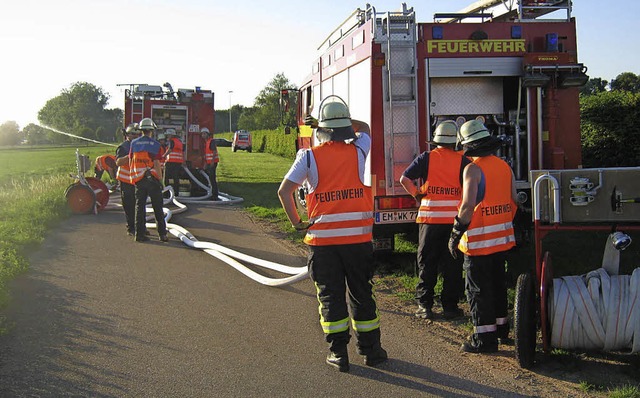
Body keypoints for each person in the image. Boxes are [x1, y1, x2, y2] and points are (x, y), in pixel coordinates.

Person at [277, 96, 387, 372]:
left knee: (330, 296)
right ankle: (371, 351)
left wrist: (296, 222)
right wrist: (346, 123)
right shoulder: (358, 150)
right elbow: (366, 130)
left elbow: (284, 192)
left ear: (321, 129)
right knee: (362, 293)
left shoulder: (309, 156)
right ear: (346, 128)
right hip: (358, 241)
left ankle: (339, 353)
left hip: (323, 244)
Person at [448, 119, 517, 353]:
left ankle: (484, 340)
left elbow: (467, 206)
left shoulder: (472, 169)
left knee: (478, 290)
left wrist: (456, 233)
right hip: (502, 240)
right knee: (498, 286)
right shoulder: (504, 166)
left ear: (467, 145)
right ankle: (501, 330)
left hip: (478, 244)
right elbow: (514, 200)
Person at [399, 120, 469, 320]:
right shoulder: (464, 161)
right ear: (455, 141)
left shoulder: (426, 158)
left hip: (429, 221)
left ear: (436, 140)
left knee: (427, 263)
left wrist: (417, 195)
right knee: (453, 266)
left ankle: (425, 306)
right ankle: (450, 307)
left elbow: (404, 179)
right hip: (453, 222)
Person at [129, 118, 169, 243]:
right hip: (152, 179)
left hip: (139, 179)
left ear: (141, 130)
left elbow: (131, 160)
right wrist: (161, 180)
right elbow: (156, 163)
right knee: (158, 207)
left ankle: (139, 235)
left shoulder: (134, 144)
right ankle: (162, 234)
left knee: (139, 207)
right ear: (151, 130)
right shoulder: (155, 145)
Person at [115, 124, 140, 236]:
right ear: (127, 135)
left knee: (139, 205)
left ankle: (139, 227)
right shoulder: (124, 147)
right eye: (133, 134)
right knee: (129, 205)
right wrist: (130, 156)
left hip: (137, 179)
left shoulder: (140, 146)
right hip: (126, 180)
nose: (135, 136)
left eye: (137, 134)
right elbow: (118, 162)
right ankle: (131, 228)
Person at [163, 128, 184, 197]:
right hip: (178, 162)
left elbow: (170, 149)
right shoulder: (179, 142)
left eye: (168, 135)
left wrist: (163, 156)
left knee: (166, 178)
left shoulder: (172, 141)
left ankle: (166, 193)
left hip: (171, 161)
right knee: (176, 178)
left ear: (171, 135)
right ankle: (176, 193)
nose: (167, 137)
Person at [201, 128, 220, 201]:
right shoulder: (207, 142)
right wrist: (206, 163)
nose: (203, 135)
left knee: (212, 178)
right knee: (210, 178)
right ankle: (213, 193)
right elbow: (207, 154)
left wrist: (212, 161)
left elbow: (214, 151)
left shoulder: (211, 141)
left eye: (204, 134)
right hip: (209, 162)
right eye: (202, 134)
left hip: (213, 162)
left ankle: (215, 195)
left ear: (207, 134)